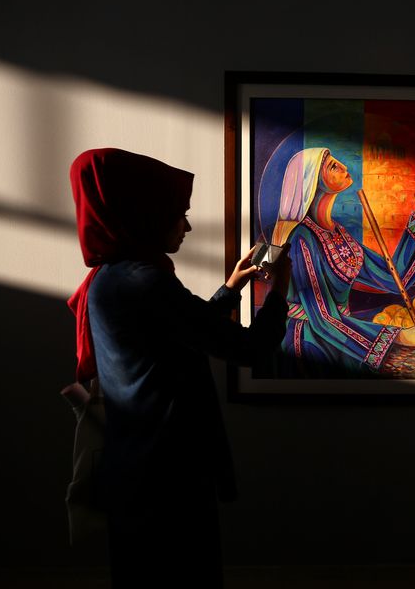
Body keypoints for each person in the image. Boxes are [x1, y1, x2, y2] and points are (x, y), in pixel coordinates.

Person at [67, 147, 290, 588]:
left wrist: (231, 288)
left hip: (132, 465)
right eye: (178, 215)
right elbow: (249, 349)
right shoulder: (146, 281)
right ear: (145, 216)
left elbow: (180, 329)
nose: (186, 227)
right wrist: (279, 293)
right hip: (170, 472)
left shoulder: (109, 277)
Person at [269, 147, 415, 377]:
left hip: (341, 338)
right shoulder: (301, 238)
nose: (344, 167)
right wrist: (398, 336)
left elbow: (391, 278)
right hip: (309, 345)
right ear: (314, 182)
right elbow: (322, 318)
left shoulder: (339, 233)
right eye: (333, 166)